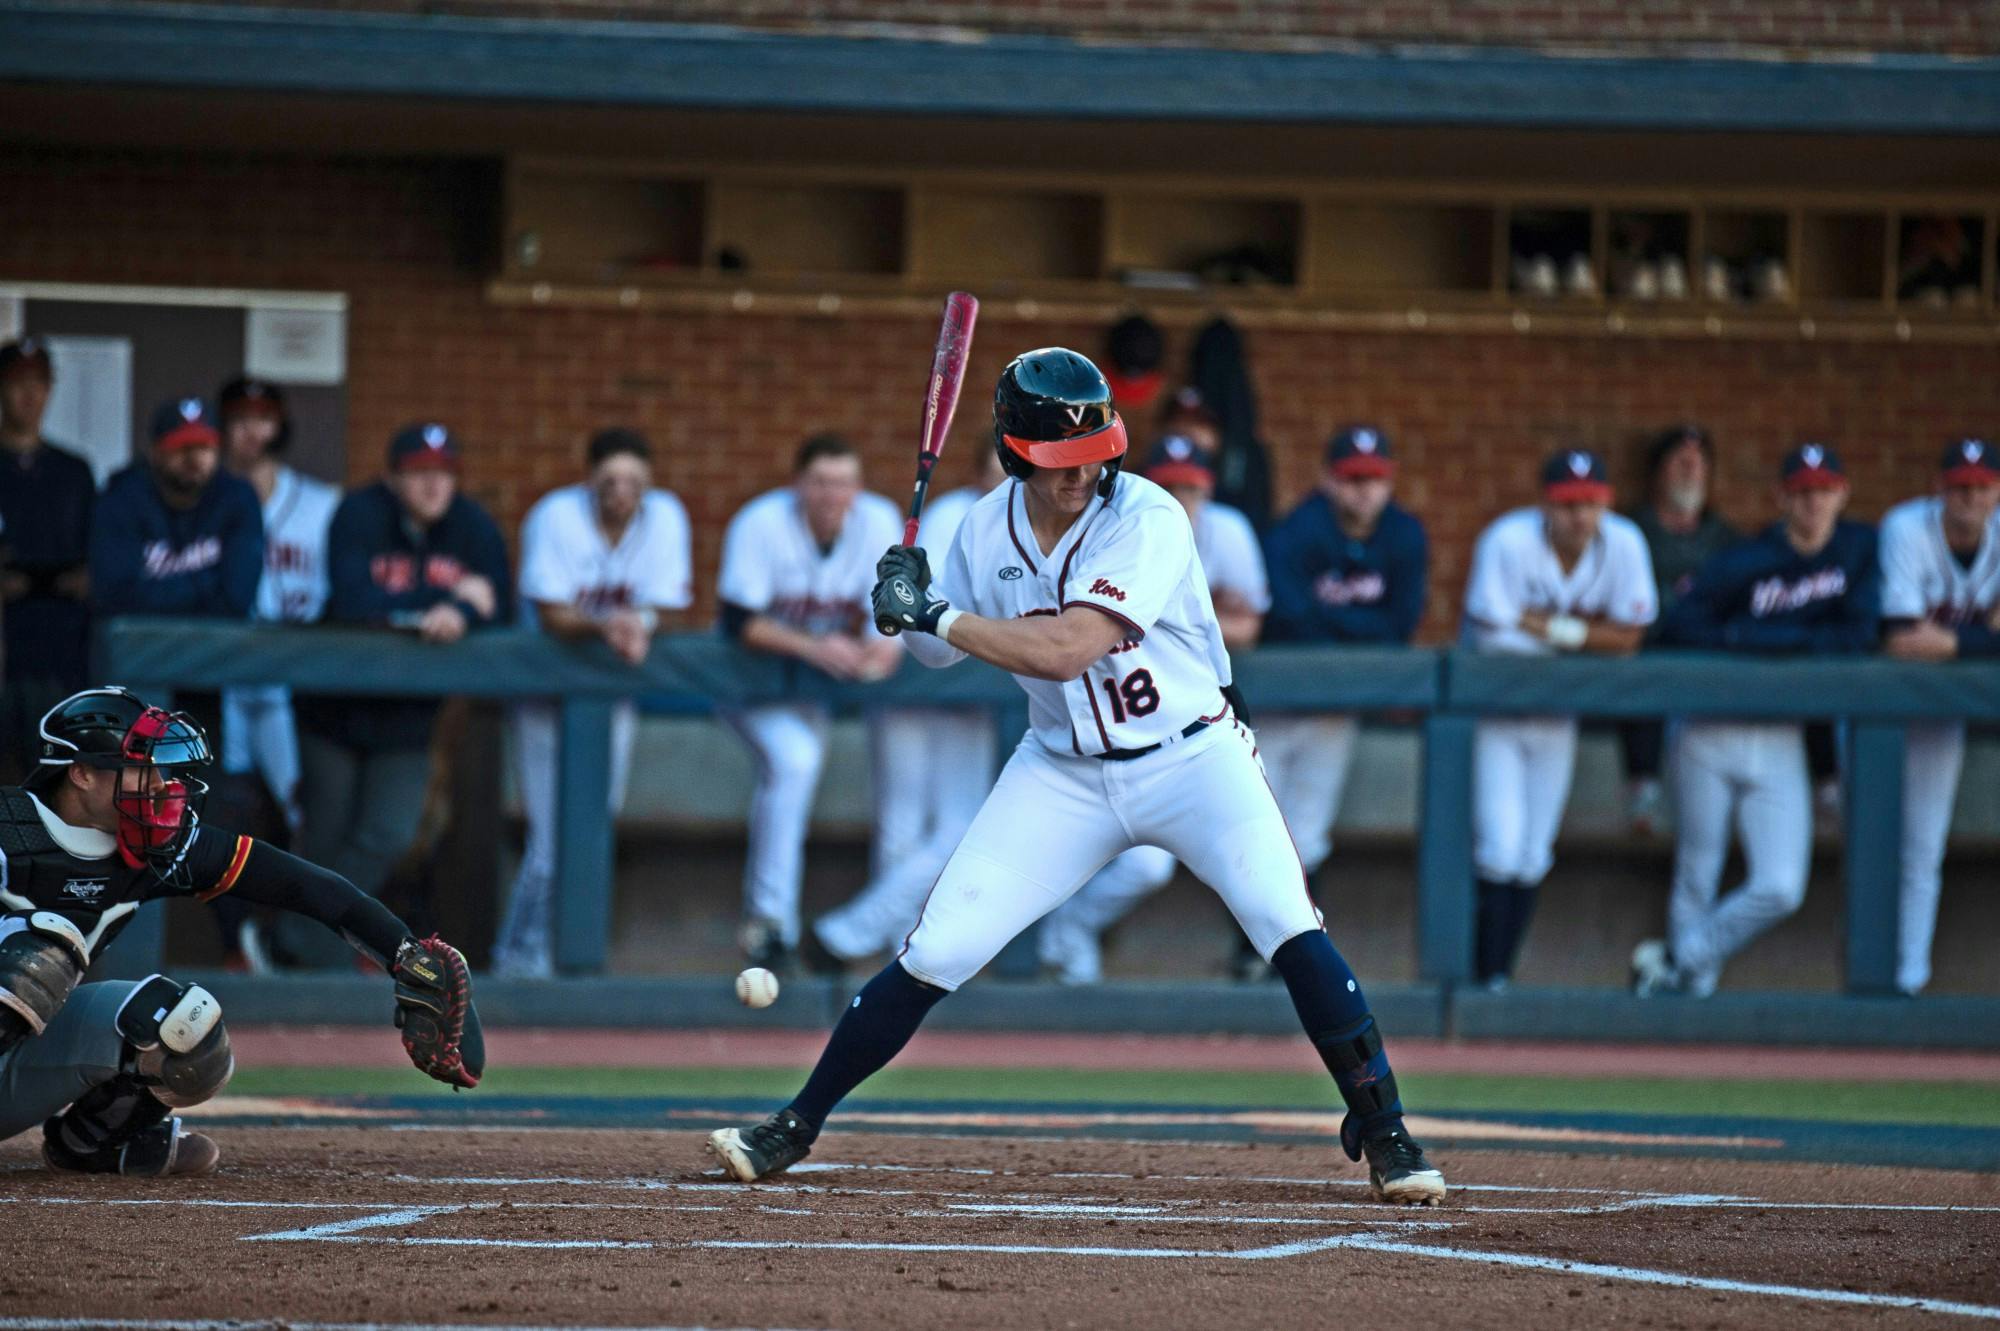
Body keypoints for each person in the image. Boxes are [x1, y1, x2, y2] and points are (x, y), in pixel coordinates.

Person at [707, 347, 1446, 1207]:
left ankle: (1387, 1129)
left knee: (1285, 919)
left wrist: (939, 609)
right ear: (1018, 452)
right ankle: (793, 1125)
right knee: (938, 946)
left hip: (1192, 757)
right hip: (1061, 772)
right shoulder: (984, 527)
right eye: (1061, 461)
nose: (1083, 472)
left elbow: (1066, 649)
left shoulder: (1152, 515)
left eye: (1096, 450)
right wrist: (904, 604)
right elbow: (937, 651)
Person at [0, 687, 480, 1176]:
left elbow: (300, 884)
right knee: (42, 950)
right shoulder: (9, 832)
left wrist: (402, 952)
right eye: (141, 767)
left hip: (19, 1063)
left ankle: (91, 1143)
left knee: (186, 1025)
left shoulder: (159, 846)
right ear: (80, 774)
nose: (160, 784)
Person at [1632, 443, 1881, 998]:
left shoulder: (1859, 551)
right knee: (1697, 872)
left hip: (1782, 735)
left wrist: (1763, 641)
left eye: (1823, 491)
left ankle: (1676, 959)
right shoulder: (1746, 559)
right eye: (1801, 492)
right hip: (1710, 728)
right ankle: (1687, 1001)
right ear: (1781, 498)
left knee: (1781, 884)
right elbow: (1681, 625)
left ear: (1841, 495)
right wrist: (1756, 641)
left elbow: (1860, 635)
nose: (1812, 503)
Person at [1034, 429, 1269, 985]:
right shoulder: (1121, 526)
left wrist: (1157, 623)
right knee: (1121, 858)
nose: (1182, 498)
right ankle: (1065, 939)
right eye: (1171, 486)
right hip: (1103, 719)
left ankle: (1069, 932)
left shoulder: (1227, 532)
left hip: (1194, 722)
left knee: (1210, 863)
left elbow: (1250, 624)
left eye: (1192, 488)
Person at [284, 423, 511, 969]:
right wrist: (449, 598)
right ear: (392, 477)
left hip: (409, 717)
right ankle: (315, 959)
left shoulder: (473, 525)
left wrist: (463, 611)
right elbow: (357, 598)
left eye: (444, 474)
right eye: (420, 474)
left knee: (387, 835)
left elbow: (498, 605)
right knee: (325, 838)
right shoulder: (360, 513)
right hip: (334, 708)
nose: (435, 486)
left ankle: (297, 945)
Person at [493, 428, 692, 979]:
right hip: (543, 694)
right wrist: (613, 624)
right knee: (550, 842)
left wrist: (640, 621)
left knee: (590, 828)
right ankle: (518, 960)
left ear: (647, 483)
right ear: (590, 480)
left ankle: (556, 957)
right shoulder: (556, 515)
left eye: (633, 481)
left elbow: (671, 604)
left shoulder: (666, 517)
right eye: (610, 480)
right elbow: (553, 611)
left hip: (611, 698)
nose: (621, 491)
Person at [1462, 450, 1657, 991]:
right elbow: (1490, 636)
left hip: (1556, 717)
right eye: (1569, 503)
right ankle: (1483, 976)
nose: (1580, 515)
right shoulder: (1508, 540)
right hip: (1498, 713)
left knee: (1532, 854)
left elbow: (1630, 639)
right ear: (1547, 503)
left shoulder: (1624, 543)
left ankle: (1499, 975)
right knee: (1499, 848)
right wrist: (1586, 636)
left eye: (1592, 502)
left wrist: (1547, 628)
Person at [810, 447, 1005, 972]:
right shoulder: (948, 515)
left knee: (961, 828)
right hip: (911, 686)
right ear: (976, 473)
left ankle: (857, 933)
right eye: (994, 470)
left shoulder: (1029, 524)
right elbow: (923, 609)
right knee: (900, 823)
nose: (1002, 480)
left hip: (973, 695)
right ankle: (896, 950)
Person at [715, 434, 902, 970]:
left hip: (812, 698)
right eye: (820, 482)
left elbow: (887, 619)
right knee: (795, 761)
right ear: (797, 485)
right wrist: (813, 646)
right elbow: (738, 621)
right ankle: (771, 925)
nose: (831, 495)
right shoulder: (761, 522)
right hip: (751, 687)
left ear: (858, 489)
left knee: (799, 764)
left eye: (842, 483)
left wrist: (883, 647)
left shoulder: (878, 521)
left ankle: (771, 928)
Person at [1254, 425, 1428, 971]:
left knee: (1305, 838)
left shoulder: (1404, 535)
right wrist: (1359, 627)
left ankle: (1288, 956)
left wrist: (1334, 623)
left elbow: (1401, 625)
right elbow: (1287, 614)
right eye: (1352, 478)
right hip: (1277, 705)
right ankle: (1251, 952)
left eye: (1374, 479)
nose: (1363, 490)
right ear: (1329, 479)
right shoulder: (1298, 530)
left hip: (1335, 710)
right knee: (1259, 833)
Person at [1874, 438, 2000, 995]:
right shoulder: (1905, 527)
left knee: (1924, 848)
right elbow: (1899, 640)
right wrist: (1982, 637)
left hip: (1940, 714)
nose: (1969, 497)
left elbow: (1925, 639)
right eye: (1959, 486)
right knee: (1871, 842)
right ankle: (1867, 980)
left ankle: (1909, 982)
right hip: (1878, 706)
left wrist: (1945, 641)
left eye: (1981, 486)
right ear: (1938, 488)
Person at [215, 376, 341, 837]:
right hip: (222, 676)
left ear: (280, 427)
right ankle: (239, 914)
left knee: (300, 811)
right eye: (239, 420)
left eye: (263, 420)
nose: (251, 431)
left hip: (290, 680)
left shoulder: (322, 504)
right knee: (219, 814)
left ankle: (298, 911)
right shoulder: (207, 500)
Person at [1620, 425, 1737, 834]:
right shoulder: (1632, 530)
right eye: (1680, 462)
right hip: (1649, 654)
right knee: (1643, 668)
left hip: (1709, 662)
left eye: (1699, 463)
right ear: (1658, 472)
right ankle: (1642, 787)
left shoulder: (1725, 537)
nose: (1691, 471)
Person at [0, 338, 95, 781]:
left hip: (59, 647)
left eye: (38, 384)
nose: (29, 395)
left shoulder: (73, 471)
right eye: (18, 384)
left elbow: (92, 563)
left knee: (55, 776)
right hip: (5, 642)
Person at [90, 396, 263, 624]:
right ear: (156, 453)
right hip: (138, 647)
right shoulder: (123, 498)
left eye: (204, 447)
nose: (193, 459)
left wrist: (154, 591)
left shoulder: (237, 498)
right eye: (181, 447)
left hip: (217, 648)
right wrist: (209, 583)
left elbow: (238, 599)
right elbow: (114, 597)